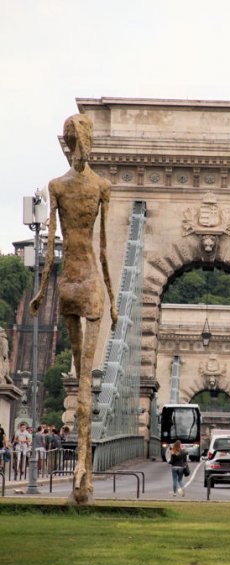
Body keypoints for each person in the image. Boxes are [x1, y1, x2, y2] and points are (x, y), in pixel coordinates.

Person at [30, 113, 117, 504]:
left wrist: (40, 292)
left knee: (80, 373)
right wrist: (114, 299)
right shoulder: (102, 186)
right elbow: (103, 250)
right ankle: (85, 469)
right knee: (87, 383)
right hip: (92, 284)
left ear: (67, 142)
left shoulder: (56, 186)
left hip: (68, 282)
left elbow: (51, 250)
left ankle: (80, 471)